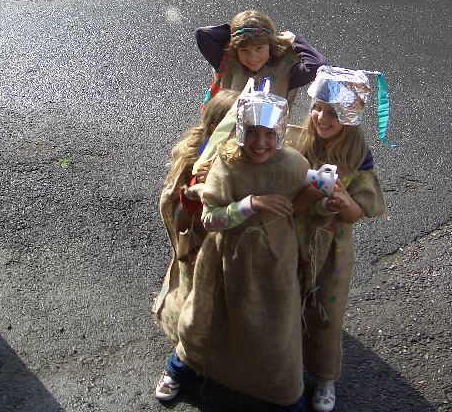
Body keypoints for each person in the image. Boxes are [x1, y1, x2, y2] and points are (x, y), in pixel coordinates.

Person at [156, 85, 311, 411]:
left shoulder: (293, 165)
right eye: (252, 132)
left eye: (269, 134)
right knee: (205, 318)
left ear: (281, 131)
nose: (260, 143)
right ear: (239, 129)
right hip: (225, 259)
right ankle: (180, 368)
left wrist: (326, 192)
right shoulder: (228, 166)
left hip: (273, 263)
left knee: (274, 328)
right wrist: (251, 204)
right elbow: (211, 219)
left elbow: (302, 204)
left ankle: (285, 393)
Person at [290, 66, 388, 412]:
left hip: (332, 247)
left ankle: (325, 375)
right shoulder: (297, 138)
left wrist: (344, 202)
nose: (321, 117)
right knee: (288, 303)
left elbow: (357, 213)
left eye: (332, 113)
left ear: (349, 115)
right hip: (293, 237)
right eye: (317, 107)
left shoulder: (357, 152)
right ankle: (286, 372)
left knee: (326, 312)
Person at [151, 89, 239, 348]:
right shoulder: (199, 155)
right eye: (238, 126)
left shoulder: (235, 151)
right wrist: (199, 189)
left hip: (225, 229)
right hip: (201, 232)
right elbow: (180, 204)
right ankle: (189, 341)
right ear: (216, 127)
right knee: (199, 288)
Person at [195, 9, 326, 103]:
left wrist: (294, 40)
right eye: (244, 50)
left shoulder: (285, 70)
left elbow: (317, 66)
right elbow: (203, 34)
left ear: (271, 44)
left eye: (259, 48)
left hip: (267, 140)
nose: (253, 58)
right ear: (235, 49)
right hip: (228, 138)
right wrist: (238, 32)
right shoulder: (228, 62)